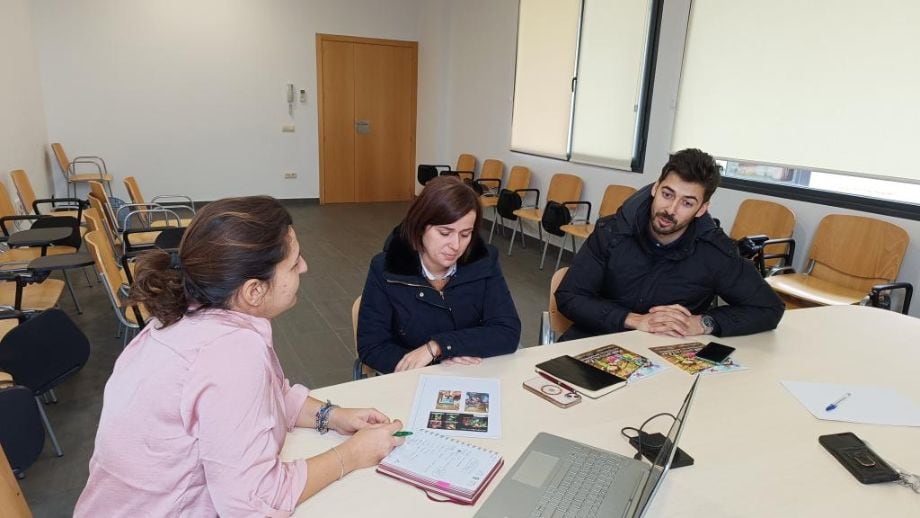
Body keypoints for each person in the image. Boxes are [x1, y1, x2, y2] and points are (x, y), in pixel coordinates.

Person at [75, 197, 404, 517]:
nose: (304, 267)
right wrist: (352, 455)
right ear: (253, 291)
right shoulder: (230, 352)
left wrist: (334, 416)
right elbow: (255, 503)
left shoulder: (185, 313)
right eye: (293, 263)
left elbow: (267, 397)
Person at [555, 148, 784, 341]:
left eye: (687, 202)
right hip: (596, 338)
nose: (671, 209)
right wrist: (635, 320)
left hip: (664, 358)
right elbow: (569, 296)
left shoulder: (714, 251)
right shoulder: (612, 232)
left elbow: (768, 308)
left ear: (702, 209)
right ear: (655, 188)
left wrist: (704, 322)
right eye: (667, 194)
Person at [357, 176, 521, 374]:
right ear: (420, 227)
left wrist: (439, 347)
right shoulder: (386, 269)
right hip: (412, 380)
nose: (456, 245)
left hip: (475, 374)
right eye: (445, 233)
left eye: (465, 234)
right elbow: (372, 347)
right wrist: (437, 365)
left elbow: (507, 331)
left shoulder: (484, 261)